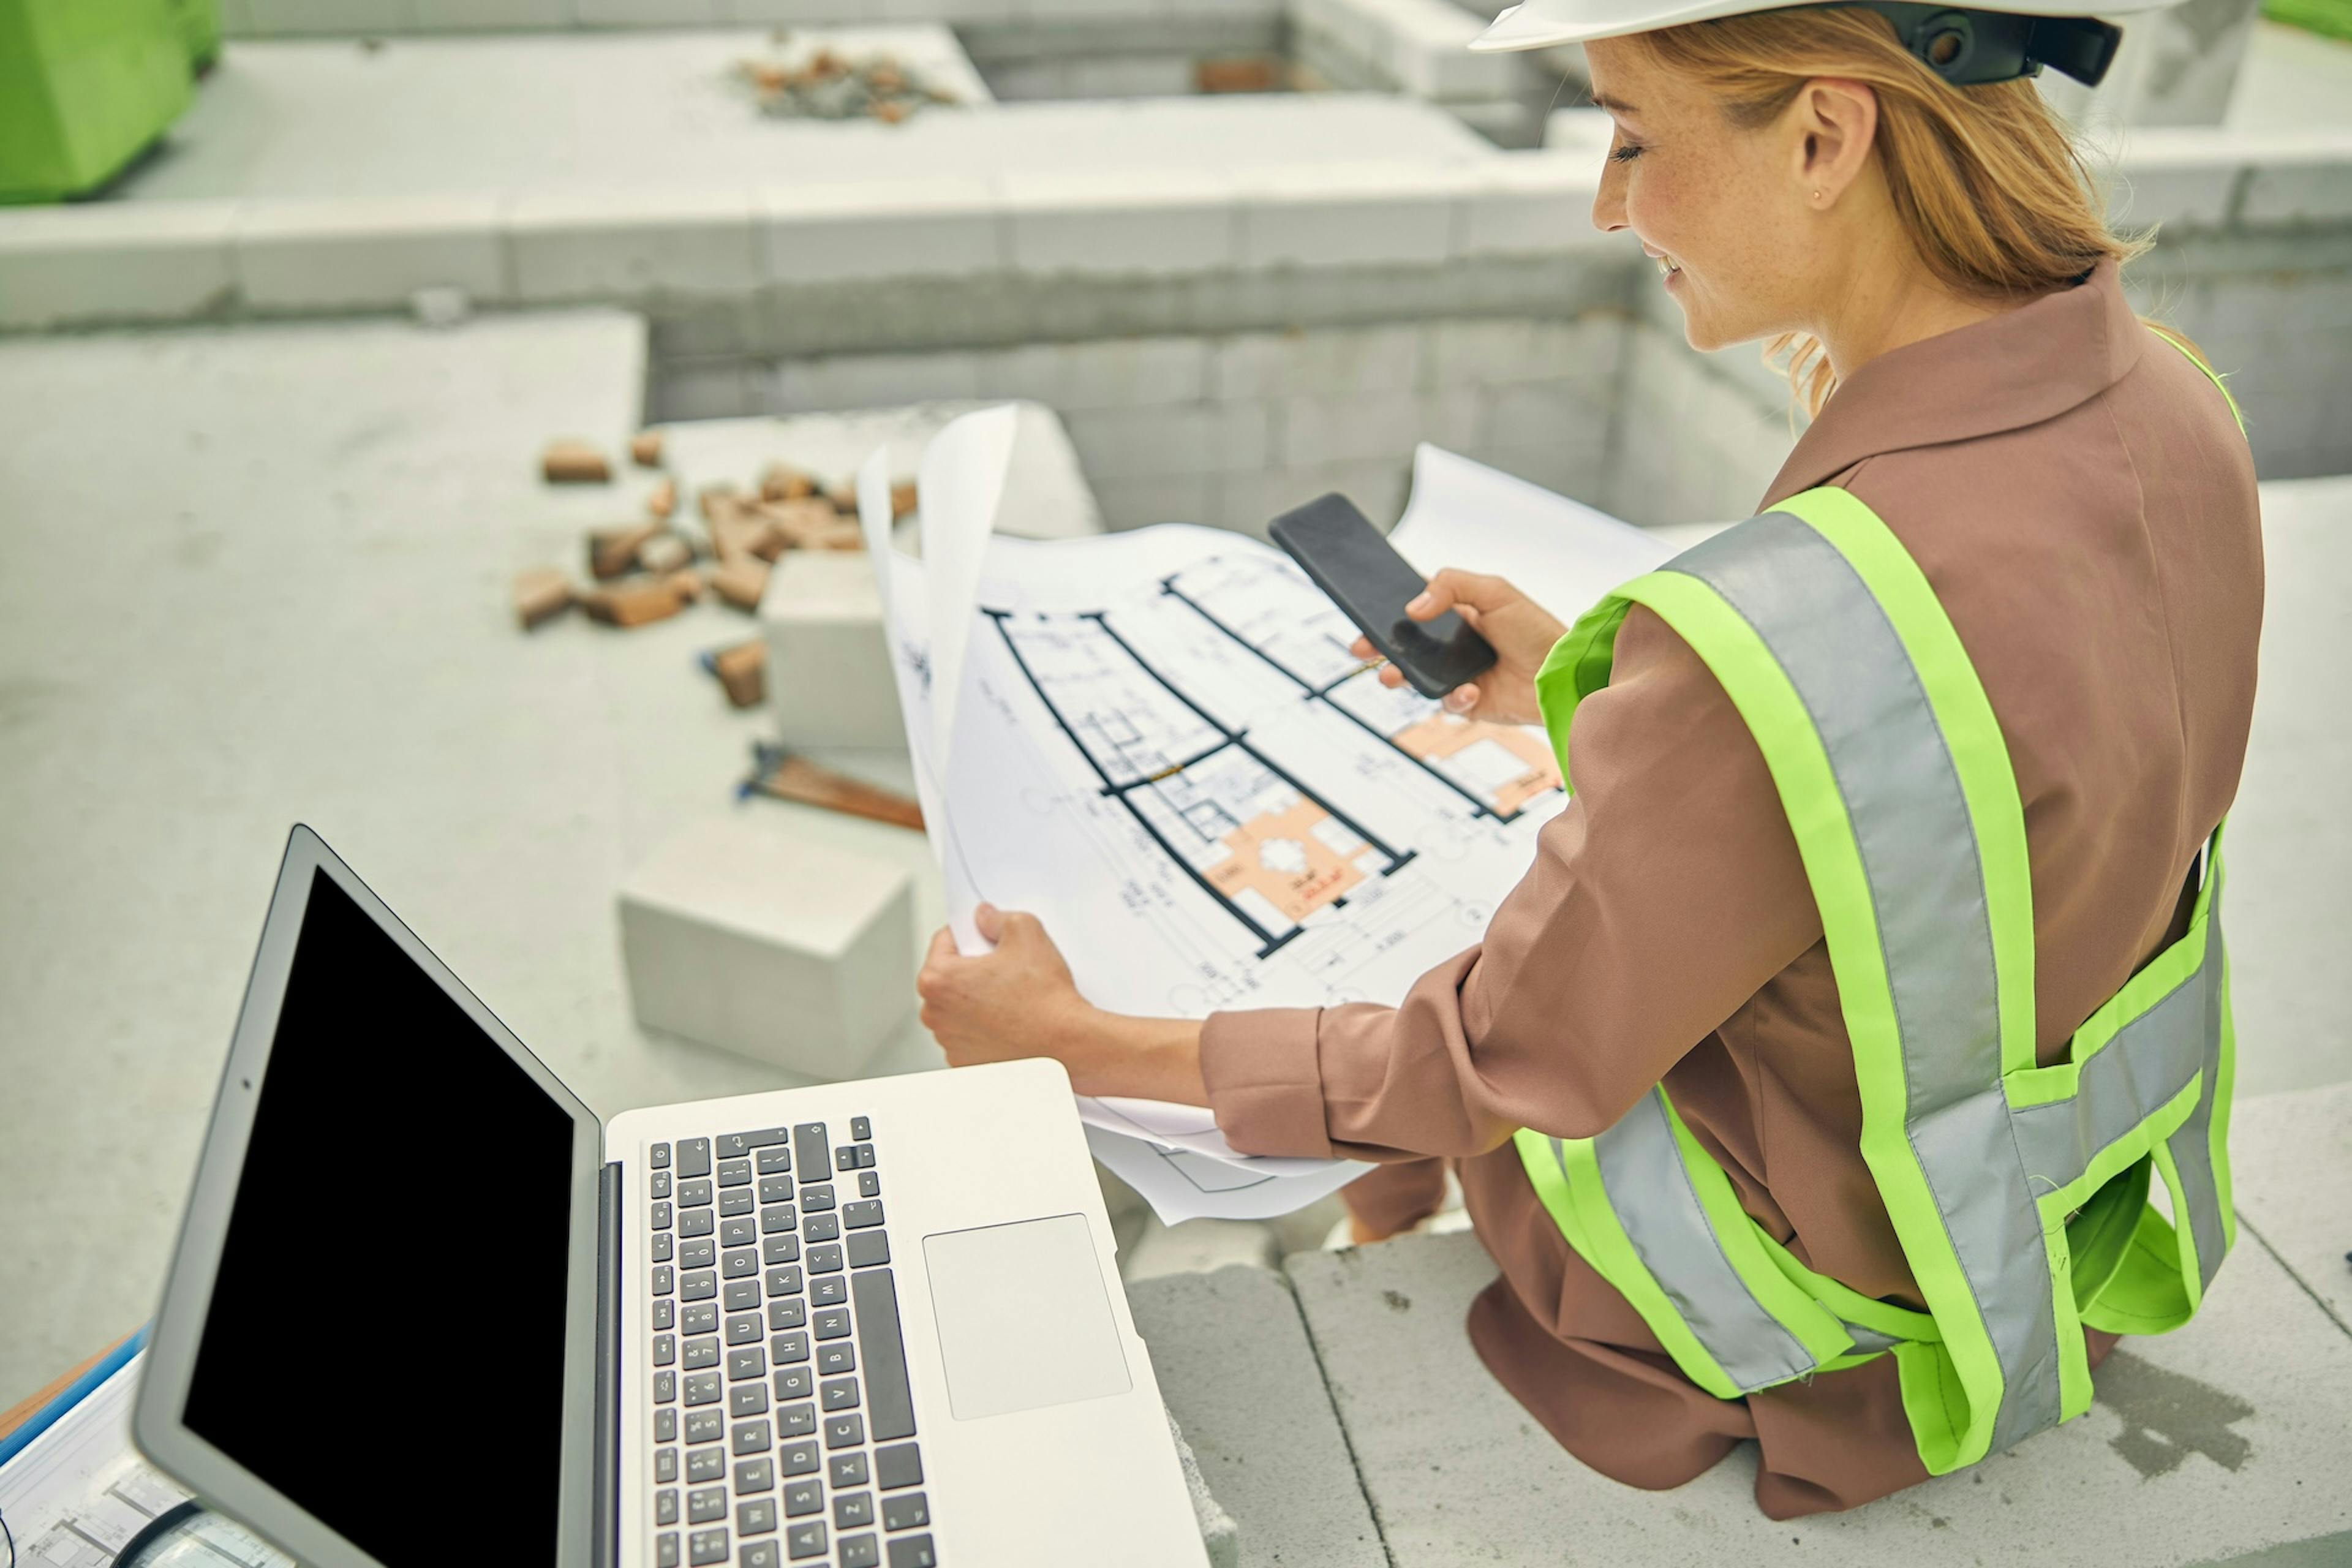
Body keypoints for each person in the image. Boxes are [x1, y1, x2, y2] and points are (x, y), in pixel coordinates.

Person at [914, 0, 2261, 1520]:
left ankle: (1370, 1213)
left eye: (1630, 139)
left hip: (1814, 1321)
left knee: (1411, 998)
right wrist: (1617, 694)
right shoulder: (2177, 406)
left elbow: (1496, 1058)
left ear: (1826, 137)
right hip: (2051, 1228)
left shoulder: (1779, 638)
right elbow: (1961, 787)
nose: (1609, 205)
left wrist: (1075, 1038)